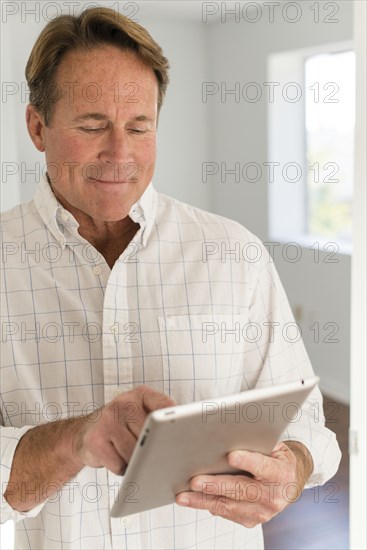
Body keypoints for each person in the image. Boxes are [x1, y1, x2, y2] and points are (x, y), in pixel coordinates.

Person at [0, 7, 341, 550]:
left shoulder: (234, 252)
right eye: (92, 126)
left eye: (139, 127)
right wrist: (76, 440)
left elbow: (306, 426)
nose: (121, 153)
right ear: (37, 127)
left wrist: (292, 467)